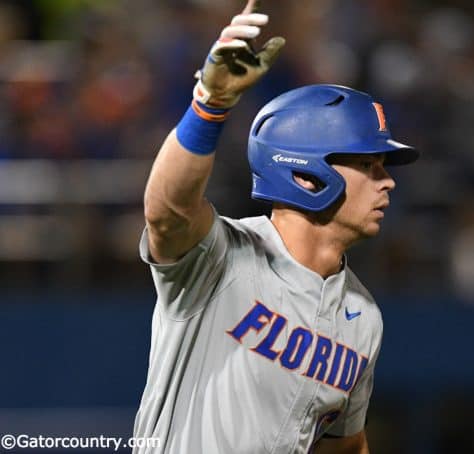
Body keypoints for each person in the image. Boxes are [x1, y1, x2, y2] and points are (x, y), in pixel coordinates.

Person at [133, 1, 418, 453]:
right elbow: (166, 211)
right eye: (369, 164)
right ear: (307, 174)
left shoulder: (364, 318)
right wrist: (209, 106)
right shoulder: (221, 258)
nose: (387, 182)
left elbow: (345, 445)